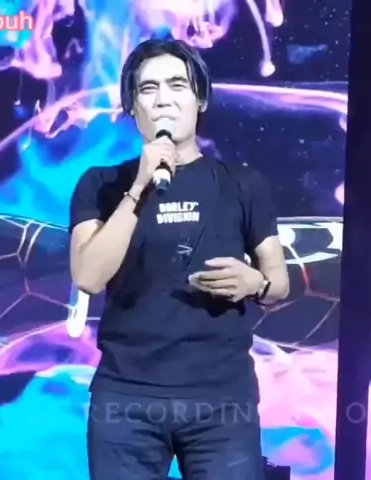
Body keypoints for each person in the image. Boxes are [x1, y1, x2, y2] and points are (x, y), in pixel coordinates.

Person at [69, 38, 289, 479]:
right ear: (132, 107)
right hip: (126, 399)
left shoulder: (243, 184)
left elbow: (278, 281)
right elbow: (89, 277)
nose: (163, 100)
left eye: (177, 85)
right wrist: (139, 188)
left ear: (200, 98)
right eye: (147, 89)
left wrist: (255, 283)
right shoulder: (101, 184)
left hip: (222, 399)